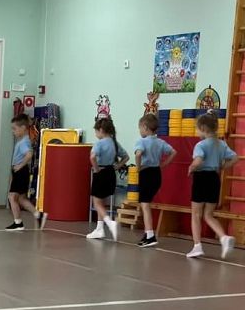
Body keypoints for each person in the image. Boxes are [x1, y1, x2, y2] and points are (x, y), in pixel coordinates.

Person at [186, 111, 237, 259]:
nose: (197, 132)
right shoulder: (221, 144)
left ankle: (197, 246)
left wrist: (192, 167)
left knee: (196, 214)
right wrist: (222, 166)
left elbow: (199, 160)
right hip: (214, 179)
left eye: (197, 129)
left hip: (201, 178)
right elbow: (235, 158)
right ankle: (224, 237)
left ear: (203, 128)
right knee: (208, 214)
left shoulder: (200, 145)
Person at [133, 114, 176, 247]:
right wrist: (164, 164)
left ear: (145, 127)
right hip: (156, 173)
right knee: (146, 203)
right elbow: (173, 152)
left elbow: (138, 154)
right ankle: (147, 233)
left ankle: (151, 235)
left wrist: (138, 167)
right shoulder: (160, 142)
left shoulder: (142, 141)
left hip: (146, 173)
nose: (139, 131)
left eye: (140, 128)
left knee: (145, 205)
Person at [86, 118, 129, 241]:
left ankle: (110, 223)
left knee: (96, 202)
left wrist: (96, 169)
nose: (95, 134)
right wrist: (118, 166)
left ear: (100, 130)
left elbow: (92, 157)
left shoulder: (99, 143)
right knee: (102, 201)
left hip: (101, 172)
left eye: (96, 131)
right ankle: (99, 229)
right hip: (111, 172)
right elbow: (126, 157)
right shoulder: (114, 143)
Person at [5, 114, 47, 231]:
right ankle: (38, 215)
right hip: (20, 172)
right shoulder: (24, 140)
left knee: (12, 197)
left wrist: (20, 166)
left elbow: (29, 154)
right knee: (21, 199)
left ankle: (18, 222)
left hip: (21, 172)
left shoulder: (24, 142)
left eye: (14, 129)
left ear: (23, 128)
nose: (13, 131)